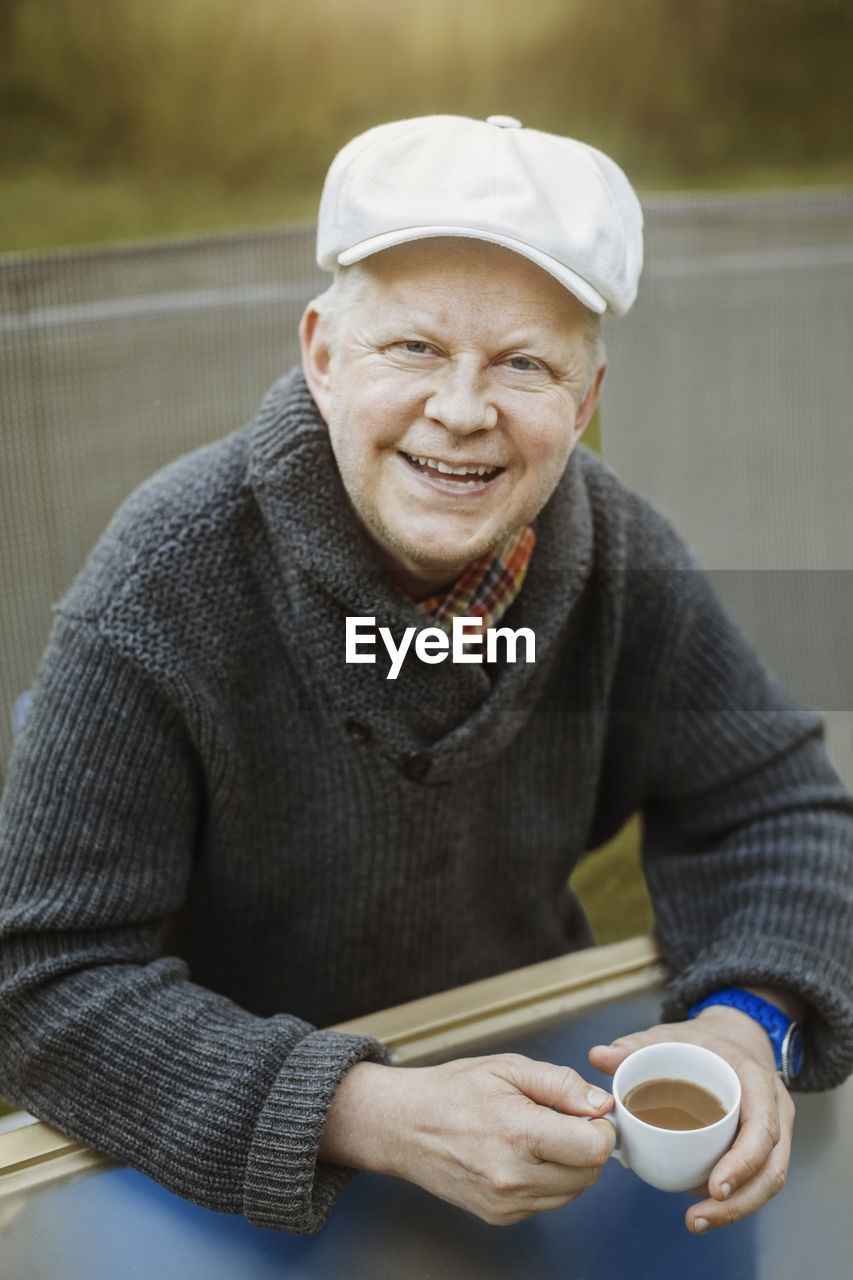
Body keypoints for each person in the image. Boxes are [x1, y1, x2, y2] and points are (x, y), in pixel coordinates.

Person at [0, 114, 851, 1240]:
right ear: (320, 353)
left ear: (585, 403)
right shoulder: (161, 586)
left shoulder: (620, 557)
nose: (462, 409)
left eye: (524, 364)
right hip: (214, 1157)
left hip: (537, 1077)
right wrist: (361, 1107)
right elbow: (41, 975)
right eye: (412, 348)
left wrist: (750, 1017)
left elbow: (779, 804)